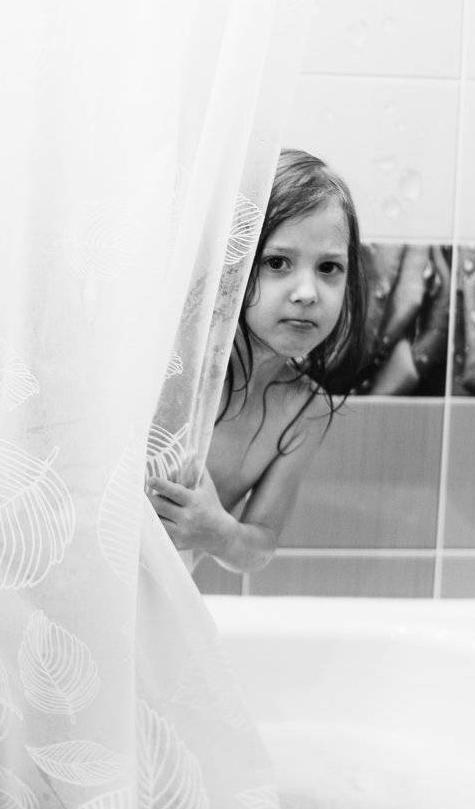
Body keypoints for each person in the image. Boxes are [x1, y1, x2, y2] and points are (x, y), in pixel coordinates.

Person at [148, 149, 366, 573]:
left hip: (159, 596)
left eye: (328, 268)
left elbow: (261, 542)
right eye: (277, 263)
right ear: (234, 265)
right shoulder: (173, 372)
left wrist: (218, 533)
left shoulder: (304, 410)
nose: (307, 292)